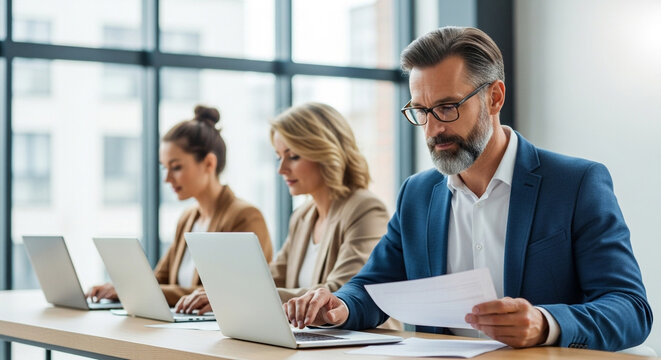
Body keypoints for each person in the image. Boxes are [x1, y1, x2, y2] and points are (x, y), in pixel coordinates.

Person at [282, 27, 652, 351]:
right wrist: (340, 305)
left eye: (447, 107)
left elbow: (630, 308)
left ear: (494, 97)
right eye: (421, 111)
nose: (432, 130)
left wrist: (544, 323)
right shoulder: (418, 194)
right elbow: (375, 285)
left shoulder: (575, 184)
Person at [177, 103, 397, 329]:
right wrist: (225, 293)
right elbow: (270, 278)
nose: (281, 169)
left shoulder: (366, 209)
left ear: (325, 153)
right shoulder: (303, 216)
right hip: (315, 340)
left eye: (293, 156)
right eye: (279, 156)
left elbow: (341, 291)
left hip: (363, 342)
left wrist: (242, 296)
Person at [88, 105, 273, 307]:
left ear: (209, 163)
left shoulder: (244, 216)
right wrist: (121, 287)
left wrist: (134, 289)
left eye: (176, 167)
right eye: (165, 168)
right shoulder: (188, 218)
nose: (167, 178)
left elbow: (229, 292)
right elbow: (159, 280)